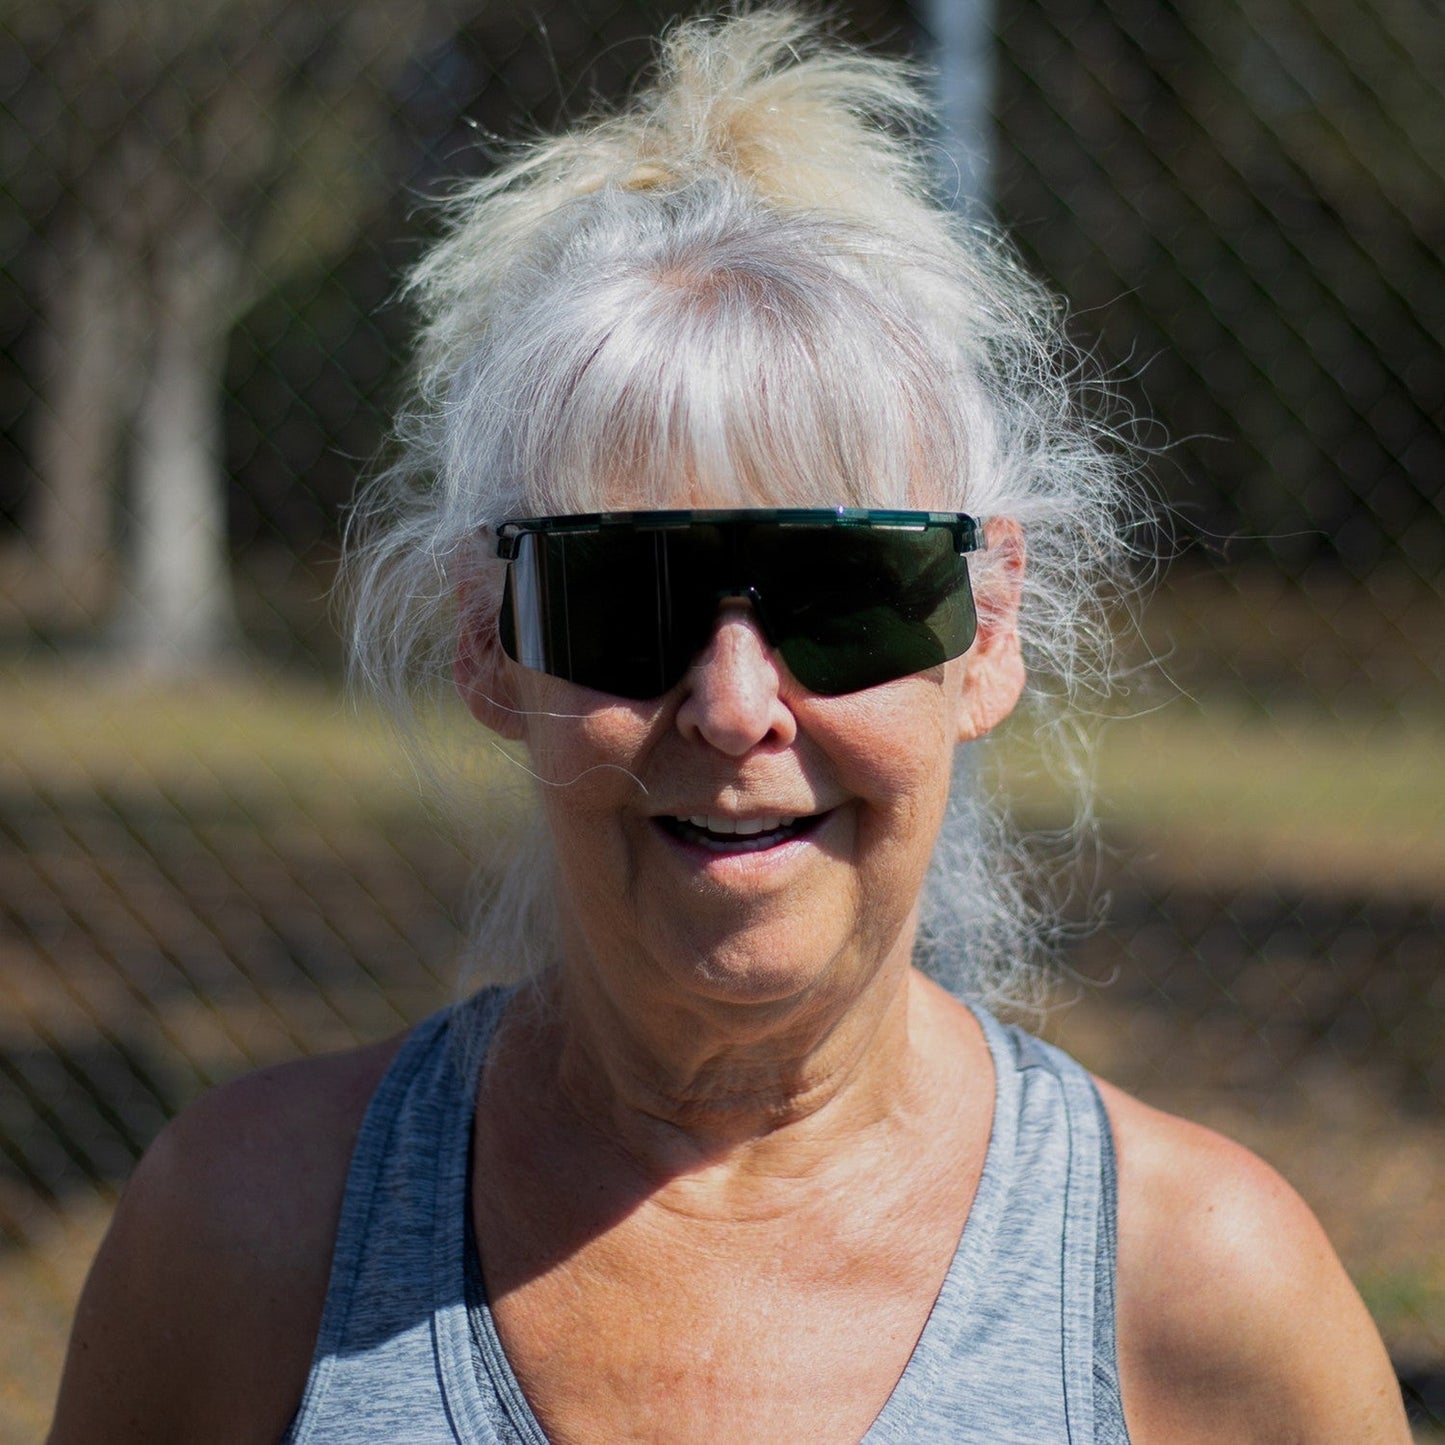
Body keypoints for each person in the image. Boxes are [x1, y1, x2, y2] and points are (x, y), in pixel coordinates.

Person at [49, 9, 1407, 1442]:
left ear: (986, 635)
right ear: (487, 647)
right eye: (626, 598)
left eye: (844, 597)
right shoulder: (250, 1233)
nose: (736, 703)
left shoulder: (1200, 1294)